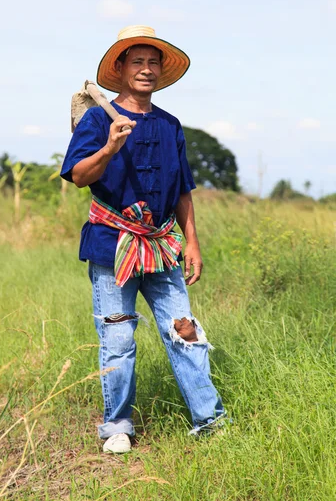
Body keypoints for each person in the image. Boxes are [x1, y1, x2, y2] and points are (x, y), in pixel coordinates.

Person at [61, 25, 225, 454]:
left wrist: (192, 242)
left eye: (153, 62)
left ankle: (209, 419)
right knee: (118, 336)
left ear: (161, 72)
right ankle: (117, 424)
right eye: (138, 61)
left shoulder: (170, 126)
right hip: (112, 244)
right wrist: (110, 148)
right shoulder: (99, 119)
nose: (146, 70)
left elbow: (183, 190)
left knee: (184, 330)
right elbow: (79, 176)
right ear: (121, 68)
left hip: (162, 244)